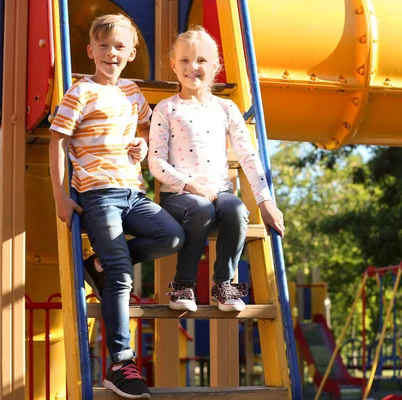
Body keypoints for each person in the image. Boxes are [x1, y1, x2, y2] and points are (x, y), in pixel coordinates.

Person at [49, 14, 185, 399]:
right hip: (97, 192)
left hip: (133, 192)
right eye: (104, 46)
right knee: (122, 274)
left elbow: (145, 129)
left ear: (131, 53)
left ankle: (99, 265)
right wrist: (61, 195)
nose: (111, 53)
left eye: (119, 47)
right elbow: (57, 142)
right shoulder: (81, 92)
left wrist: (143, 145)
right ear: (91, 51)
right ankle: (120, 363)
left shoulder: (133, 93)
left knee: (172, 235)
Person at [148, 27, 285, 313]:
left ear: (214, 67)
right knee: (200, 209)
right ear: (173, 65)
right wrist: (192, 185)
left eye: (201, 61)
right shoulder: (166, 109)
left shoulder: (226, 109)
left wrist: (266, 200)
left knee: (236, 209)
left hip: (220, 193)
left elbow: (248, 155)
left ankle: (224, 283)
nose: (192, 67)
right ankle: (183, 284)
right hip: (179, 196)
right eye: (184, 61)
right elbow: (156, 162)